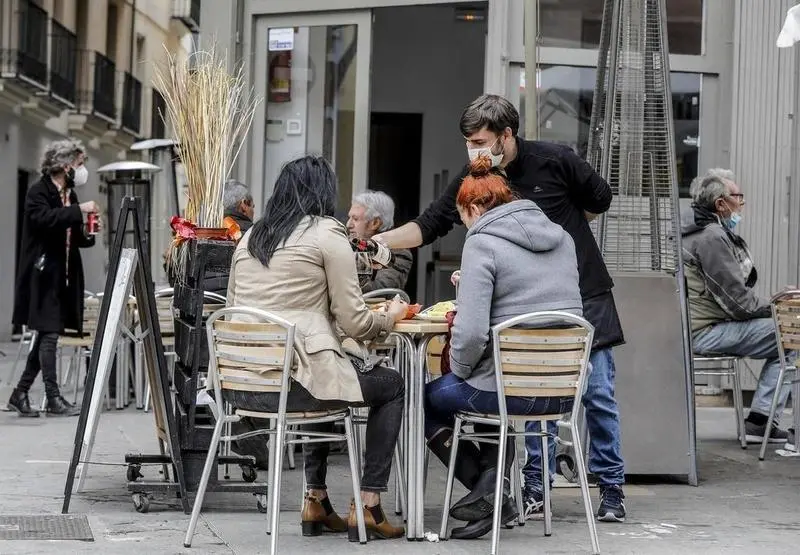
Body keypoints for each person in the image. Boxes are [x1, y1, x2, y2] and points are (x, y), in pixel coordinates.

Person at [374, 94, 627, 522]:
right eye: (468, 142)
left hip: (583, 294)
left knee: (596, 393)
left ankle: (611, 487)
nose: (474, 150)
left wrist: (560, 237)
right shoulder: (476, 177)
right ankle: (533, 487)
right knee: (527, 386)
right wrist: (376, 243)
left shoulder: (557, 160)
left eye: (480, 140)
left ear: (506, 135)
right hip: (522, 309)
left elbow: (599, 199)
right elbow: (431, 223)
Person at [226, 155, 409, 541]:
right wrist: (391, 316)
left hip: (244, 384)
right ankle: (370, 505)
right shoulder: (328, 234)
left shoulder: (249, 238)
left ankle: (316, 499)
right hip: (296, 385)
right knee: (389, 385)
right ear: (324, 192)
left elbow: (233, 309)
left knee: (330, 370)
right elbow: (356, 322)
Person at [424, 156, 583, 539]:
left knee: (424, 400)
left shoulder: (482, 241)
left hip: (506, 388)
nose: (465, 227)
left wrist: (459, 372)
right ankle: (493, 492)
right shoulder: (563, 238)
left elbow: (472, 334)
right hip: (562, 391)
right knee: (488, 397)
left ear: (475, 209)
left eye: (463, 218)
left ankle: (491, 490)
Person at [683, 168, 792, 443]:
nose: (741, 203)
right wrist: (780, 306)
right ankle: (762, 422)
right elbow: (738, 302)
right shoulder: (712, 237)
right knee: (792, 336)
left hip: (697, 326)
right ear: (721, 204)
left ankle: (760, 419)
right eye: (738, 197)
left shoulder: (692, 230)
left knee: (787, 336)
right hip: (705, 331)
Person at [9, 138, 101, 417]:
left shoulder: (69, 195)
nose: (82, 170)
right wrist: (79, 211)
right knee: (49, 335)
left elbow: (74, 238)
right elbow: (44, 220)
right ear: (63, 165)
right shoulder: (38, 191)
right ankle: (52, 397)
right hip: (42, 275)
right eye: (79, 164)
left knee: (47, 335)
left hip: (63, 278)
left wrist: (88, 231)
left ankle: (20, 393)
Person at [346, 190, 413, 293]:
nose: (348, 224)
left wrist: (361, 256)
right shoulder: (347, 243)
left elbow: (381, 291)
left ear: (375, 223)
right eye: (349, 218)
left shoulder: (398, 252)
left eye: (355, 219)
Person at [201, 180, 255, 296]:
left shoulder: (201, 232)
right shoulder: (256, 235)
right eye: (252, 206)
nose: (253, 212)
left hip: (205, 299)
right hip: (238, 303)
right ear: (244, 205)